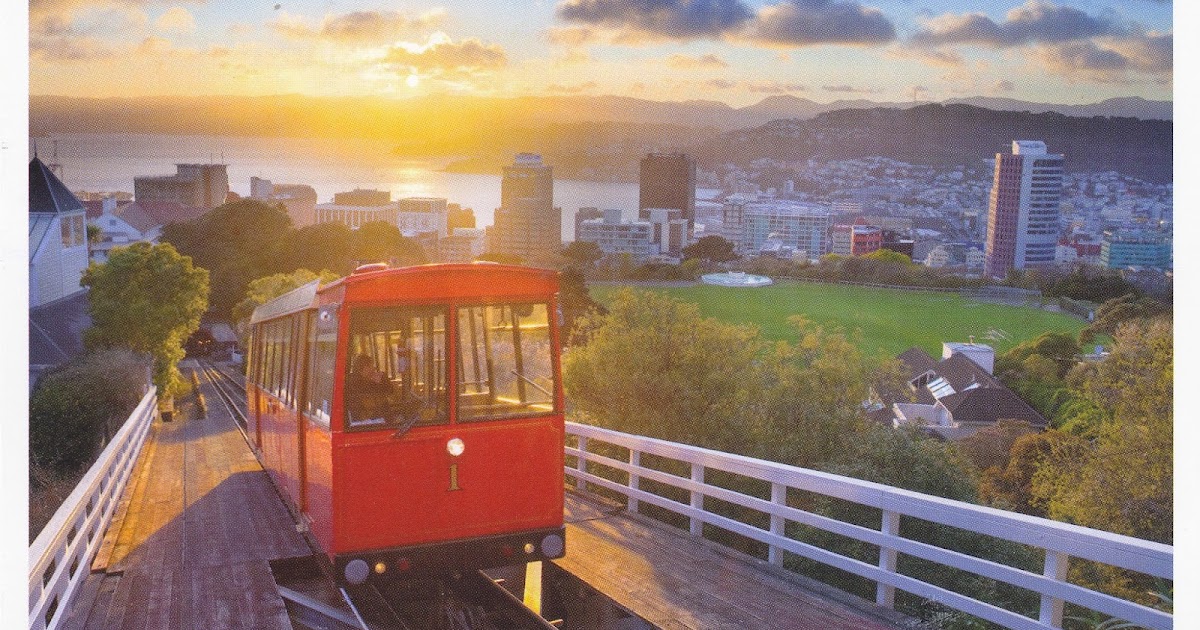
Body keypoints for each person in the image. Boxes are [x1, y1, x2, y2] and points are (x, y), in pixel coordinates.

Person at [346, 353, 395, 425]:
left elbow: (390, 391)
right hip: (364, 423)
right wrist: (376, 382)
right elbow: (364, 399)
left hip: (380, 419)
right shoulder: (352, 382)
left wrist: (382, 381)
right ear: (363, 368)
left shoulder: (373, 379)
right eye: (370, 366)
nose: (373, 368)